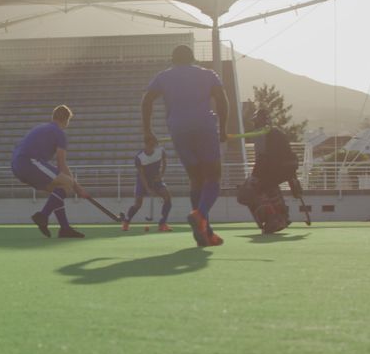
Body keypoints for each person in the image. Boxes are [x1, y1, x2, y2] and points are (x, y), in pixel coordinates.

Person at [141, 45, 228, 247]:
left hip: (178, 130)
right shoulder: (208, 74)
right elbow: (222, 101)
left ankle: (205, 233)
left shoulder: (163, 76)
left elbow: (147, 100)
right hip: (204, 128)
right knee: (213, 177)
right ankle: (201, 214)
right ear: (193, 59)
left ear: (173, 59)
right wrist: (223, 128)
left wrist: (147, 130)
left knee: (196, 180)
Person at [10, 105, 88, 239]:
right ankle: (43, 215)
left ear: (53, 116)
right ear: (67, 120)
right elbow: (61, 164)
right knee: (68, 185)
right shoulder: (59, 133)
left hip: (16, 166)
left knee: (58, 190)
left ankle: (65, 229)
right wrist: (78, 187)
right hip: (29, 162)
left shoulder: (41, 127)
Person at [237, 108, 302, 233]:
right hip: (286, 169)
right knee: (269, 186)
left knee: (253, 190)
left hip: (274, 168)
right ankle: (282, 215)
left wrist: (254, 177)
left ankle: (274, 218)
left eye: (256, 121)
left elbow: (262, 158)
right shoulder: (277, 131)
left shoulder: (260, 133)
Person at [121, 135, 173, 232]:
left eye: (154, 144)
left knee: (167, 197)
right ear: (146, 144)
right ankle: (126, 221)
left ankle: (162, 224)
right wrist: (148, 189)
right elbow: (141, 175)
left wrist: (161, 175)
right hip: (142, 181)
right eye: (150, 144)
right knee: (138, 204)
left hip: (156, 179)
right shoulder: (139, 157)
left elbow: (165, 161)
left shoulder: (160, 151)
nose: (152, 146)